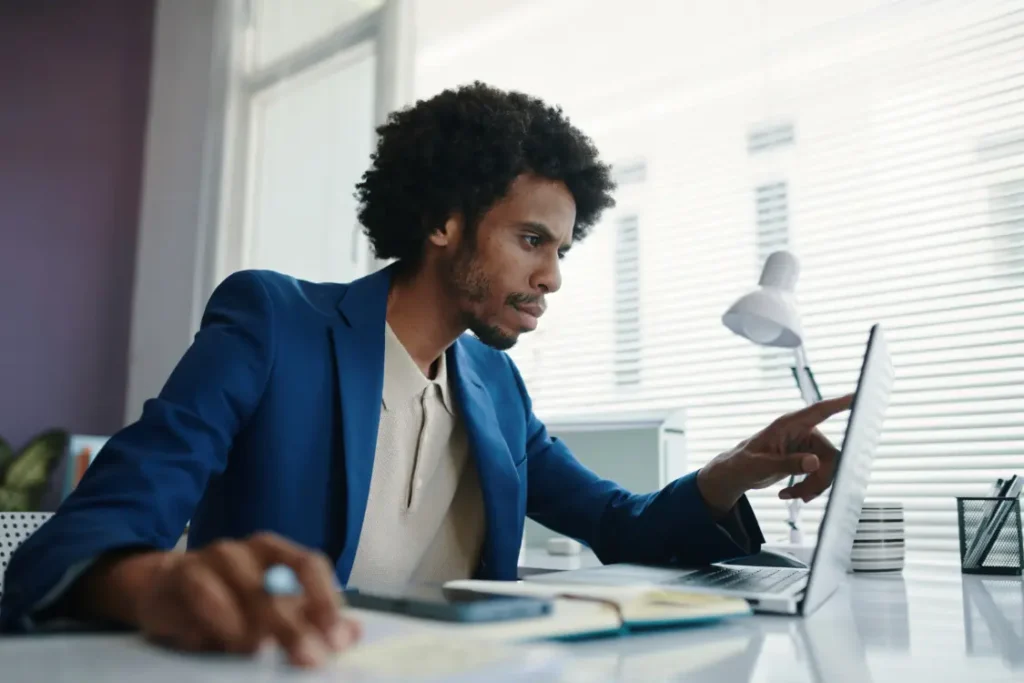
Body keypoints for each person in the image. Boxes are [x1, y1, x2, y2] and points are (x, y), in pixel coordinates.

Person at [0, 82, 851, 667]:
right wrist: (161, 581)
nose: (553, 275)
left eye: (561, 248)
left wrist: (735, 468)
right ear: (444, 221)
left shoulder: (493, 384)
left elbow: (619, 524)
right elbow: (71, 547)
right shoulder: (272, 323)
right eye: (531, 241)